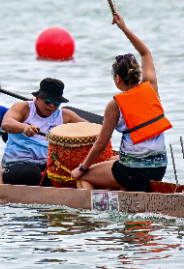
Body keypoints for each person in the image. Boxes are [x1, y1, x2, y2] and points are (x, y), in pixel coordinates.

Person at [71, 14, 170, 193]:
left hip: (132, 171)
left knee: (84, 176)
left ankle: (93, 215)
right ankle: (122, 193)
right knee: (111, 163)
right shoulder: (151, 87)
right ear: (137, 74)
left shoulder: (115, 105)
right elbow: (146, 52)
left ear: (117, 79)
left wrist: (81, 168)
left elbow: (101, 144)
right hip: (159, 169)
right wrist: (124, 28)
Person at [0, 78, 87, 186]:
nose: (51, 105)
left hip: (46, 166)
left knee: (76, 172)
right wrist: (23, 128)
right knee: (31, 173)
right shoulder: (24, 108)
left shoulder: (65, 116)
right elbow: (6, 124)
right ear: (37, 98)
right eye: (48, 101)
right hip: (16, 166)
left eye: (56, 102)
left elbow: (92, 130)